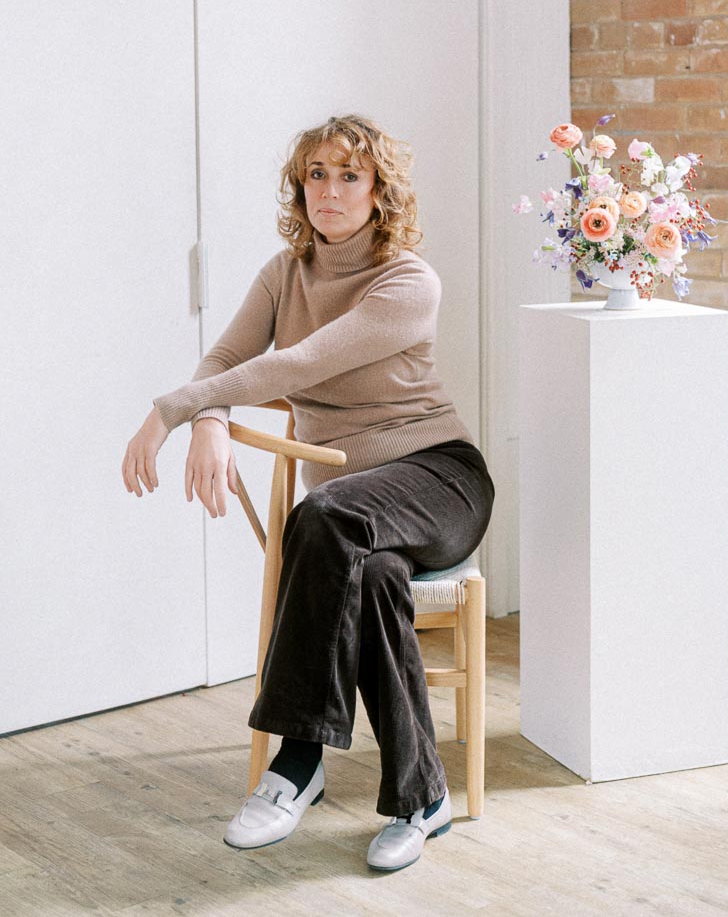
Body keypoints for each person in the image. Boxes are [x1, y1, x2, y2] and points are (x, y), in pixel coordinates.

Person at [121, 113, 494, 872]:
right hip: (356, 522)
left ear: (380, 191)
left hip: (440, 480)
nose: (331, 190)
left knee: (321, 514)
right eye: (316, 174)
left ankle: (296, 763)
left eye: (350, 175)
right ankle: (422, 799)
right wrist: (212, 421)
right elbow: (227, 359)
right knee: (373, 576)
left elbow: (298, 364)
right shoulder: (284, 273)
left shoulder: (408, 282)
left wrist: (173, 410)